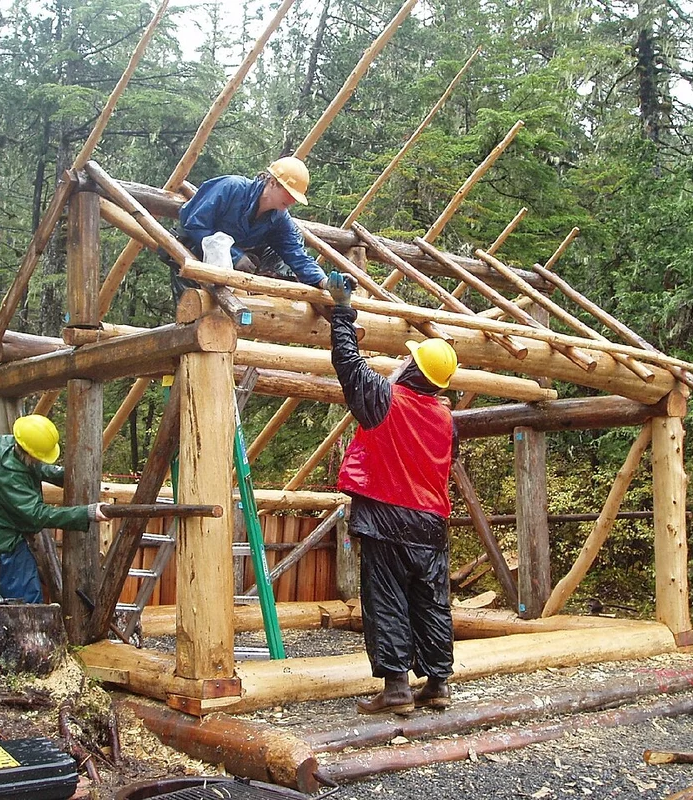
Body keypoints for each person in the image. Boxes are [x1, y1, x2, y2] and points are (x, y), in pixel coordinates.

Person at [327, 271, 460, 715]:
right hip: (431, 524)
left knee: (387, 597)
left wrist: (342, 313)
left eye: (409, 359)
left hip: (387, 515)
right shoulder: (446, 418)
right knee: (431, 599)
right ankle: (437, 684)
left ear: (414, 369)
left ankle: (397, 689)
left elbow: (348, 365)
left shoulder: (386, 399)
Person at [0, 414, 108, 603]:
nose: (40, 461)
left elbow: (41, 469)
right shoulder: (7, 475)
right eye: (38, 457)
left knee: (26, 600)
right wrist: (85, 512)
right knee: (25, 604)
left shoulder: (15, 453)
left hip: (14, 541)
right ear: (28, 452)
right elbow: (36, 514)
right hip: (7, 545)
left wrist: (72, 475)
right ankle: (23, 634)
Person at [169, 156, 329, 300]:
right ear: (273, 183)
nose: (293, 201)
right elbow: (194, 224)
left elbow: (296, 254)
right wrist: (235, 256)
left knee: (285, 251)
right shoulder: (231, 187)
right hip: (190, 254)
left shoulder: (280, 219)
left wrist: (324, 281)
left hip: (224, 268)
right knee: (192, 309)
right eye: (290, 194)